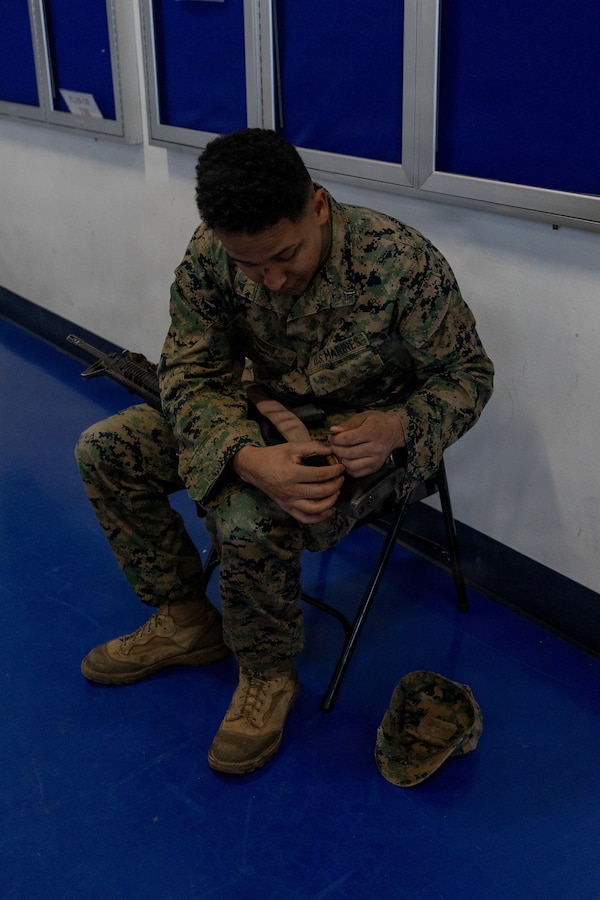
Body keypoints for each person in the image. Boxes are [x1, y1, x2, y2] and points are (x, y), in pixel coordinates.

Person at [75, 128, 493, 776]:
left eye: (285, 255)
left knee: (247, 518)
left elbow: (468, 375)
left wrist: (400, 424)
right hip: (251, 414)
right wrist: (243, 455)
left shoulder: (399, 263)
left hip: (357, 445)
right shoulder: (214, 251)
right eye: (249, 265)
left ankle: (267, 674)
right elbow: (189, 375)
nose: (270, 280)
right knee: (106, 450)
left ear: (318, 208)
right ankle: (186, 619)